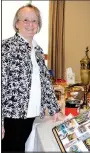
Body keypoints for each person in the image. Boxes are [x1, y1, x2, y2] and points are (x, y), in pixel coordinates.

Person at [1, 4, 60, 151]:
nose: (30, 24)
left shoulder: (37, 50)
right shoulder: (6, 48)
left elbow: (45, 82)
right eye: (25, 20)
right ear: (17, 23)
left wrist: (55, 110)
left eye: (34, 21)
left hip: (30, 116)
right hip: (11, 117)